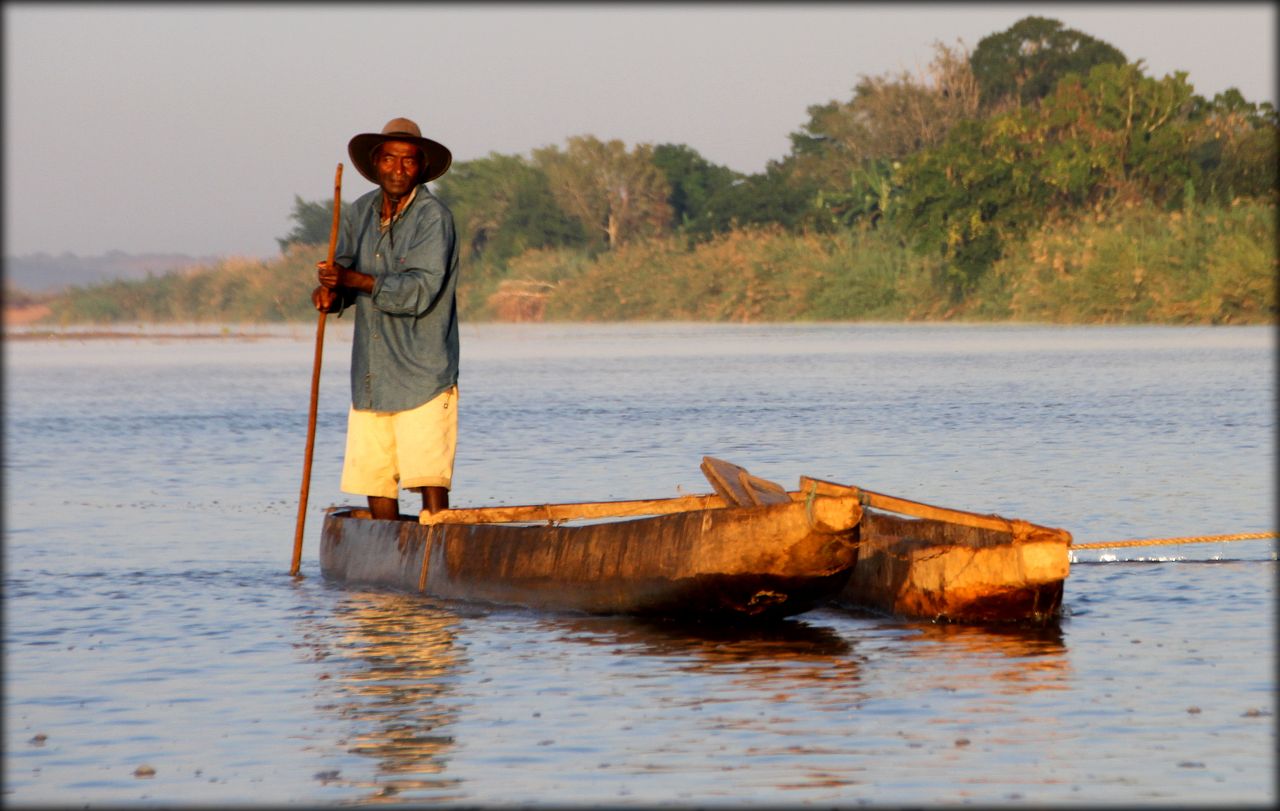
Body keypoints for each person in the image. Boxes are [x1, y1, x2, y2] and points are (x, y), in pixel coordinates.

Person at [312, 117, 460, 520]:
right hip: (372, 375)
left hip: (422, 374)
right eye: (390, 160)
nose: (399, 170)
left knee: (429, 477)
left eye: (408, 161)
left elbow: (419, 291)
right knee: (373, 479)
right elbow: (341, 274)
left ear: (421, 167)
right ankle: (384, 561)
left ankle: (434, 547)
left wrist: (352, 279)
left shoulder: (434, 218)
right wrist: (330, 293)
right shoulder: (359, 211)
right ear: (376, 163)